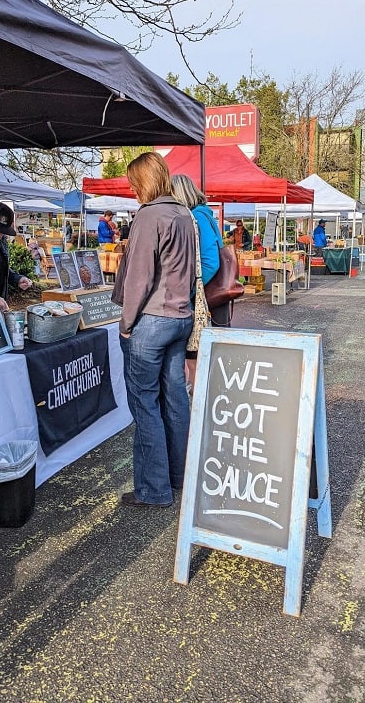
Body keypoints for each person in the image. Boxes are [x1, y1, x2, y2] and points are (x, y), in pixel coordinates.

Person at [111, 152, 195, 508]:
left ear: (143, 181)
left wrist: (126, 323)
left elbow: (139, 277)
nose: (131, 190)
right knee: (175, 399)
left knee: (145, 404)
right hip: (180, 317)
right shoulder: (182, 213)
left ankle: (153, 490)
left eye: (133, 183)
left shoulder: (149, 216)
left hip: (153, 319)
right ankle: (179, 476)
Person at [171, 174, 230, 390]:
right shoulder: (204, 215)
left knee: (195, 353)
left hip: (205, 296)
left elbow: (209, 261)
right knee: (200, 351)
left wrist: (190, 290)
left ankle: (198, 401)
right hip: (211, 295)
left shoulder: (197, 216)